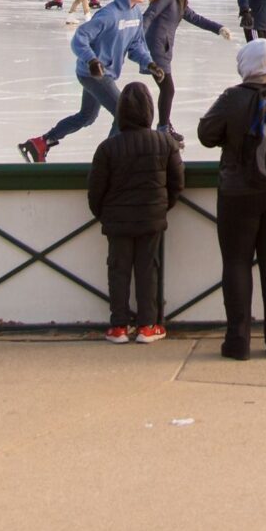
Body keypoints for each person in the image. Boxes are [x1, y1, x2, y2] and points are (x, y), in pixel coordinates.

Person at [197, 38, 266, 360]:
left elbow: (206, 134)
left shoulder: (233, 98)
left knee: (237, 262)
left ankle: (238, 341)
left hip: (241, 191)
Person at [16, 0, 156, 163]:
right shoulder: (108, 15)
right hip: (93, 73)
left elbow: (136, 45)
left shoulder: (135, 14)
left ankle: (41, 142)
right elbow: (79, 38)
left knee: (86, 116)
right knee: (122, 113)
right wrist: (91, 60)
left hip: (105, 72)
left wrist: (148, 62)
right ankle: (109, 160)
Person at [88, 80, 182, 344]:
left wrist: (105, 213)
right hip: (151, 217)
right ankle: (147, 325)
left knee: (118, 269)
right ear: (149, 111)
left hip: (117, 220)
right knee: (147, 269)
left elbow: (96, 191)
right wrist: (161, 207)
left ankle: (118, 326)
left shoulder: (107, 148)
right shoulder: (165, 144)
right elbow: (177, 183)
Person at [143, 0, 231, 135]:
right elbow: (149, 15)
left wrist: (218, 28)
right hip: (157, 48)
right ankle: (163, 128)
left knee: (166, 90)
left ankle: (164, 126)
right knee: (168, 89)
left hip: (164, 48)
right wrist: (135, 40)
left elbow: (195, 18)